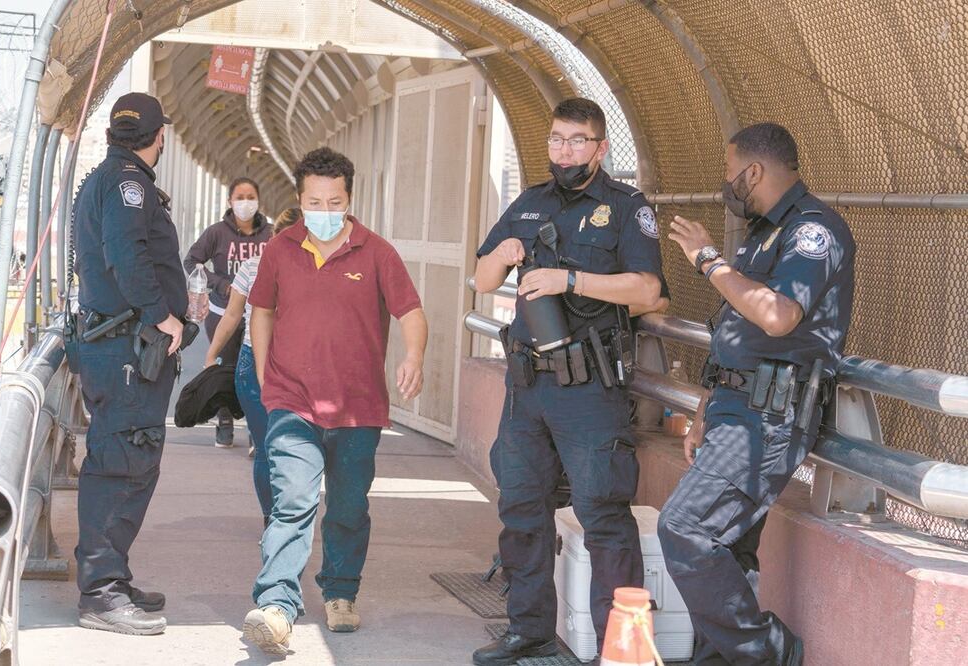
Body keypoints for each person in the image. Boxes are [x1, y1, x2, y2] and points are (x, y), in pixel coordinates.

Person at [471, 98, 665, 666]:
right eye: (557, 139)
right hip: (528, 388)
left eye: (578, 141)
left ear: (601, 148)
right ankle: (528, 631)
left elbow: (649, 292)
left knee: (603, 513)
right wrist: (502, 254)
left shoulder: (626, 207)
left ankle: (624, 647)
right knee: (522, 508)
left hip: (590, 391)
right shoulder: (529, 204)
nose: (565, 151)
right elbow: (482, 277)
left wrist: (572, 279)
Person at [659, 122, 855, 665]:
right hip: (734, 408)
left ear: (753, 171)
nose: (727, 184)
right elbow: (733, 336)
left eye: (729, 173)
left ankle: (768, 651)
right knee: (727, 547)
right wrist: (703, 412)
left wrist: (708, 261)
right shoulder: (763, 234)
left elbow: (777, 314)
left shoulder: (813, 231)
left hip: (768, 415)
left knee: (685, 528)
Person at [240, 149, 427, 655]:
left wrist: (414, 355)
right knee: (293, 500)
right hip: (293, 402)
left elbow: (411, 311)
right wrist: (264, 375)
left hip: (357, 407)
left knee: (348, 505)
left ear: (349, 200)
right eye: (313, 201)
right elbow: (261, 311)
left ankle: (341, 592)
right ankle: (277, 605)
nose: (323, 209)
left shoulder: (377, 252)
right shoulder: (281, 248)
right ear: (299, 201)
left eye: (334, 201)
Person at [71, 92, 187, 635]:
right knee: (119, 463)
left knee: (129, 460)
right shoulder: (129, 184)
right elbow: (126, 253)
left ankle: (111, 576)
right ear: (158, 135)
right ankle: (100, 592)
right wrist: (163, 315)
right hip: (124, 349)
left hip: (116, 346)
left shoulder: (107, 177)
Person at [204, 207, 301, 522]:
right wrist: (212, 353)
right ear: (274, 238)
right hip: (253, 363)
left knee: (292, 449)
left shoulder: (316, 272)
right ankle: (273, 519)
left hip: (300, 367)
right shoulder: (253, 267)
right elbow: (232, 316)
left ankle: (286, 515)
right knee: (266, 446)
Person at [184, 178, 273, 447]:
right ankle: (224, 419)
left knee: (259, 366)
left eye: (250, 196)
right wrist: (220, 284)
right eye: (240, 197)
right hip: (223, 311)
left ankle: (257, 427)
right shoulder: (217, 233)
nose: (245, 202)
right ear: (230, 201)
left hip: (260, 313)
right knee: (228, 365)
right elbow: (191, 261)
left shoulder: (270, 233)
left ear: (258, 200)